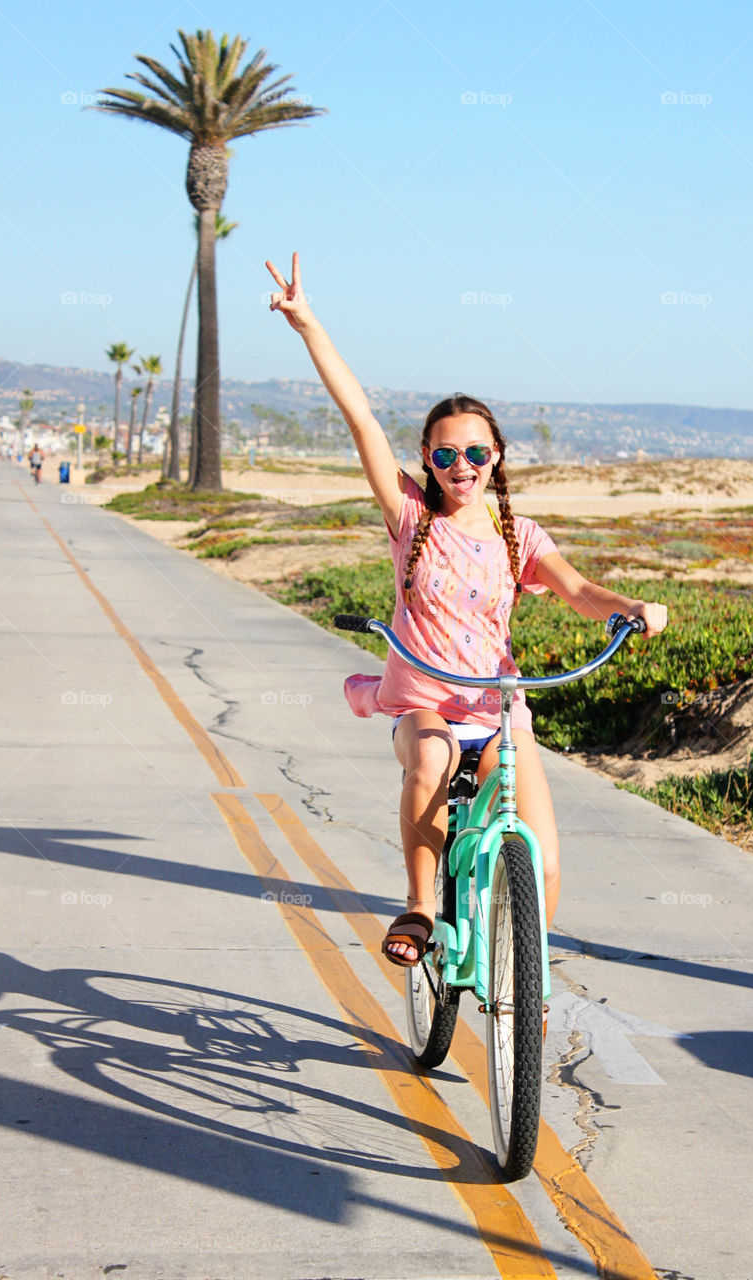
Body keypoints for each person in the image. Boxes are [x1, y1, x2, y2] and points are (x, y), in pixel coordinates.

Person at [266, 252, 668, 966]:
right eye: (446, 454)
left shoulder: (518, 536)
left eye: (476, 452)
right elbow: (359, 417)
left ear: (497, 458)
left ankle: (523, 983)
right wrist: (307, 324)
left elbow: (579, 592)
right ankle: (421, 909)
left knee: (537, 858)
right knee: (430, 758)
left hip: (498, 712)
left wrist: (630, 604)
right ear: (426, 457)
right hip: (424, 703)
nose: (462, 466)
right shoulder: (411, 518)